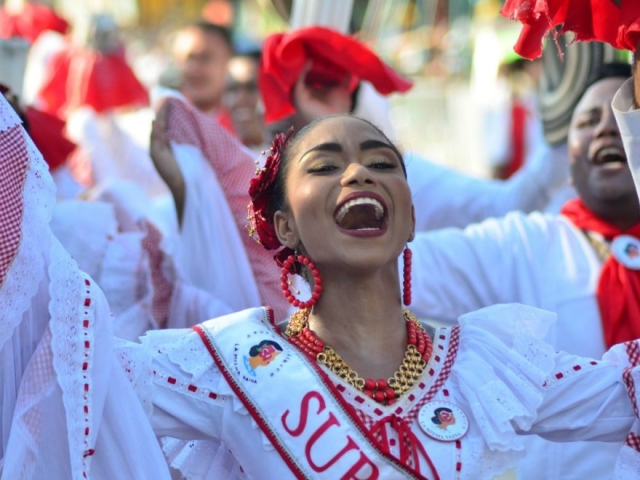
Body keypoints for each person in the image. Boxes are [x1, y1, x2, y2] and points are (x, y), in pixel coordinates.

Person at [3, 89, 640, 479]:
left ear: (411, 213)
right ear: (283, 223)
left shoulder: (488, 365)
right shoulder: (229, 364)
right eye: (326, 165)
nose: (359, 173)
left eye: (383, 163)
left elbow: (626, 392)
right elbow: (61, 358)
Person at [408, 62, 637, 479]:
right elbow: (402, 268)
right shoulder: (525, 244)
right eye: (586, 120)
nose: (606, 129)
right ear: (565, 160)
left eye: (626, 114)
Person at [169, 20, 233, 118]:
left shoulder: (246, 125)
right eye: (189, 58)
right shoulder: (164, 121)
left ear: (228, 62)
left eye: (206, 58)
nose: (195, 68)